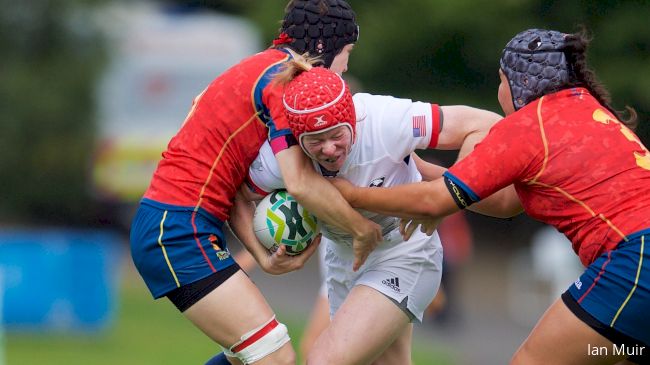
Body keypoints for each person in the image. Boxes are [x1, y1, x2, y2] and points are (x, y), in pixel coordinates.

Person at [331, 28, 650, 365]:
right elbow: (504, 200)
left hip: (636, 261)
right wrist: (424, 171)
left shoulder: (530, 124)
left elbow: (433, 202)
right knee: (618, 356)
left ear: (518, 81)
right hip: (639, 264)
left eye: (500, 80)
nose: (499, 90)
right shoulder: (589, 111)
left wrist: (352, 194)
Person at [129, 1, 384, 365]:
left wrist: (261, 255)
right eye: (347, 54)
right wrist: (361, 230)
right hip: (176, 229)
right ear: (325, 50)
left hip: (177, 224)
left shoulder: (263, 67)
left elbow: (233, 186)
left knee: (245, 356)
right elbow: (299, 184)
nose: (345, 68)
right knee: (275, 355)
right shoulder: (286, 81)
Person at [240, 55, 502, 364]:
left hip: (404, 251)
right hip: (343, 260)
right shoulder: (280, 158)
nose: (328, 149)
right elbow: (237, 196)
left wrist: (448, 199)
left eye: (336, 135)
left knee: (323, 359)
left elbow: (485, 126)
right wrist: (260, 252)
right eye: (315, 141)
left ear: (353, 119)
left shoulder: (386, 121)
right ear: (297, 138)